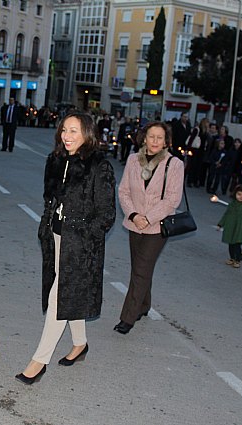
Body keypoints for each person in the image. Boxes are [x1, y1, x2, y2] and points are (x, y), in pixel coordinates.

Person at [16, 112, 116, 384]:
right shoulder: (55, 160)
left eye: (74, 131)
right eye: (64, 130)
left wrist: (85, 236)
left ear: (88, 134)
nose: (67, 136)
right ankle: (80, 343)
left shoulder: (99, 166)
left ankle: (39, 360)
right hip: (55, 236)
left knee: (58, 297)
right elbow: (50, 198)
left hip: (80, 244)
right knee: (68, 291)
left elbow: (106, 214)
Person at [115, 122, 184, 334]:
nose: (154, 141)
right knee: (140, 267)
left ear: (166, 141)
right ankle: (144, 304)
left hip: (157, 227)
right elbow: (124, 191)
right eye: (151, 136)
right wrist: (134, 215)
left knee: (141, 270)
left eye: (159, 138)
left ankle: (128, 317)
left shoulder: (174, 164)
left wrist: (148, 217)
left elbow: (173, 199)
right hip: (135, 224)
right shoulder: (133, 160)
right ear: (144, 138)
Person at [217, 184, 242, 268]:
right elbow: (226, 214)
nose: (241, 197)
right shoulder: (232, 204)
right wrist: (220, 224)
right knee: (230, 243)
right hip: (231, 226)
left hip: (240, 227)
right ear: (235, 194)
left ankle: (237, 260)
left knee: (237, 244)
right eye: (239, 194)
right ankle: (232, 258)